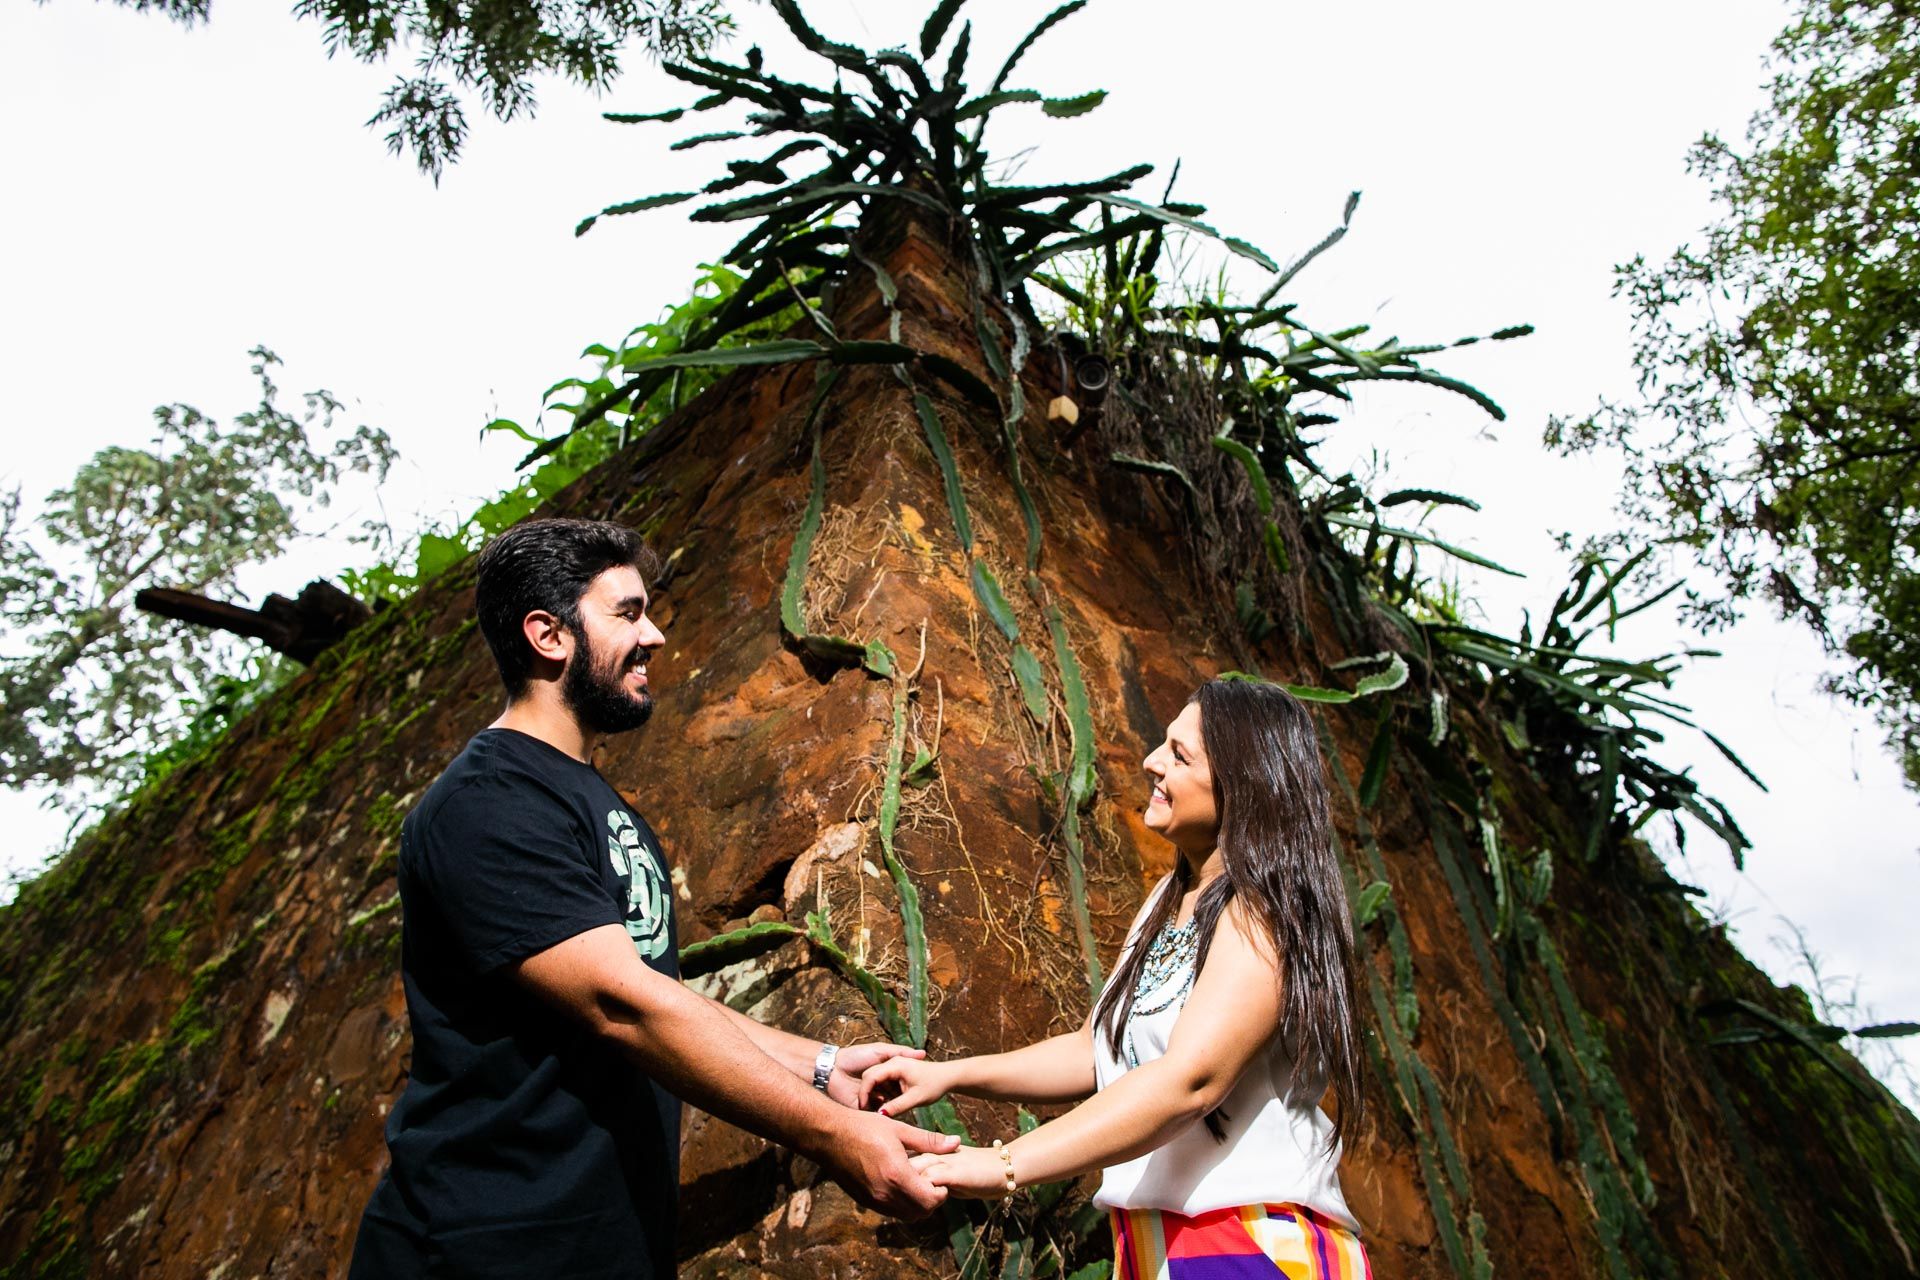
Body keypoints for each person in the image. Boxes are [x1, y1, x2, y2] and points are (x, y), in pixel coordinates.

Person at [349, 517, 957, 1279]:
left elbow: (657, 995)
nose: (657, 636)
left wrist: (820, 1065)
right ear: (549, 636)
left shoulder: (592, 800)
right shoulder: (487, 803)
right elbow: (625, 1006)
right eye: (628, 613)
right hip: (479, 1246)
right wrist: (831, 1135)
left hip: (598, 1244)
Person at [860, 678, 1371, 1279]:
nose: (1152, 761)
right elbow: (1094, 1050)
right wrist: (949, 1076)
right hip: (1158, 1246)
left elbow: (1189, 1082)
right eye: (1164, 744)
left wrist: (1003, 1165)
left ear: (1246, 789)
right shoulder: (1170, 897)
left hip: (1249, 1245)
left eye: (1181, 755)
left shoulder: (1264, 911)